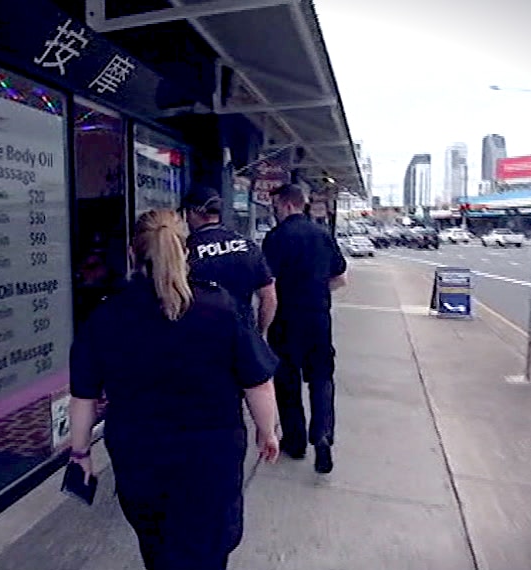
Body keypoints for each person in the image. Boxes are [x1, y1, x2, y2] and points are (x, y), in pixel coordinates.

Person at [69, 209, 280, 570]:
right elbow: (257, 382)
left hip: (139, 458)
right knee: (208, 549)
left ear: (133, 255)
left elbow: (83, 397)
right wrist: (267, 430)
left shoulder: (105, 316)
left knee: (158, 549)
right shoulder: (221, 307)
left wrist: (80, 453)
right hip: (211, 457)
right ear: (185, 252)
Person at [261, 183, 348, 474]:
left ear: (286, 205)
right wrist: (318, 294)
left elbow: (268, 288)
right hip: (318, 319)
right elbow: (340, 278)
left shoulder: (276, 238)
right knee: (322, 378)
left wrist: (264, 325)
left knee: (287, 383)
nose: (274, 212)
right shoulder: (323, 235)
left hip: (286, 321)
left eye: (275, 207)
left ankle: (295, 442)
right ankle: (323, 435)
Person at [181, 186, 277, 337]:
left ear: (191, 213)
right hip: (242, 336)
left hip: (201, 336)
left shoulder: (186, 251)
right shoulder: (247, 246)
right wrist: (259, 334)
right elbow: (269, 298)